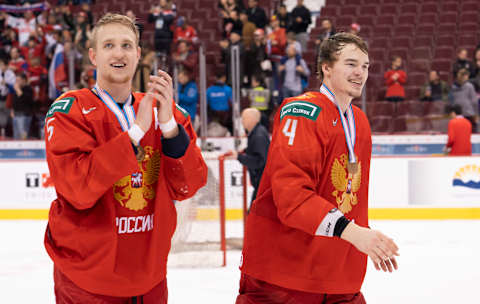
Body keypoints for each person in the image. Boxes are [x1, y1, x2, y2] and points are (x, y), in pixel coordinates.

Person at [44, 13, 207, 303]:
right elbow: (78, 189)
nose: (118, 53)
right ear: (93, 56)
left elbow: (189, 186)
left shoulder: (166, 112)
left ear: (138, 54)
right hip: (87, 280)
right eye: (108, 45)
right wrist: (135, 133)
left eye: (126, 45)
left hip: (150, 278)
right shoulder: (69, 110)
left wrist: (169, 127)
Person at [236, 33, 399, 304]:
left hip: (338, 277)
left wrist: (364, 245)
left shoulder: (360, 121)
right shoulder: (302, 111)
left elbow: (351, 199)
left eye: (365, 65)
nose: (360, 72)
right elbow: (292, 198)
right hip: (284, 276)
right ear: (326, 67)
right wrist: (355, 234)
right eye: (350, 63)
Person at [226, 108, 270, 205]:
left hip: (263, 185)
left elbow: (259, 160)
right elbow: (256, 152)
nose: (242, 121)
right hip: (262, 184)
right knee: (253, 215)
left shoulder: (258, 135)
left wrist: (239, 157)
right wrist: (242, 152)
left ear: (252, 119)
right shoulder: (256, 133)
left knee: (254, 216)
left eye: (244, 118)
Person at [450, 68, 478, 133]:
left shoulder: (453, 87)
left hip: (460, 115)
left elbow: (452, 101)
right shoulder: (469, 86)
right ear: (465, 76)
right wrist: (476, 114)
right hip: (468, 115)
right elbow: (474, 101)